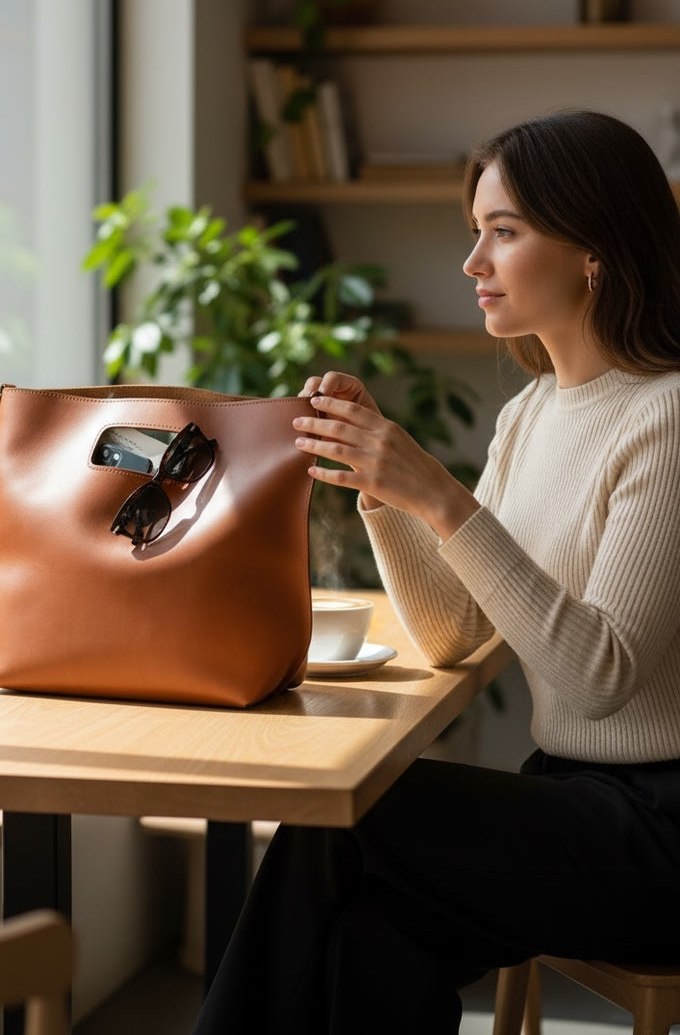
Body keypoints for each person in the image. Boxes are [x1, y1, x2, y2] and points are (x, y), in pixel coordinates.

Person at [191, 110, 680, 1034]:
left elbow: (598, 678)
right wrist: (388, 490)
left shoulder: (668, 418)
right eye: (476, 232)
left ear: (595, 251)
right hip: (569, 798)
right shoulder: (532, 415)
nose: (474, 263)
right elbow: (456, 632)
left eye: (505, 232)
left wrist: (444, 498)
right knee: (370, 943)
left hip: (657, 832)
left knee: (349, 815)